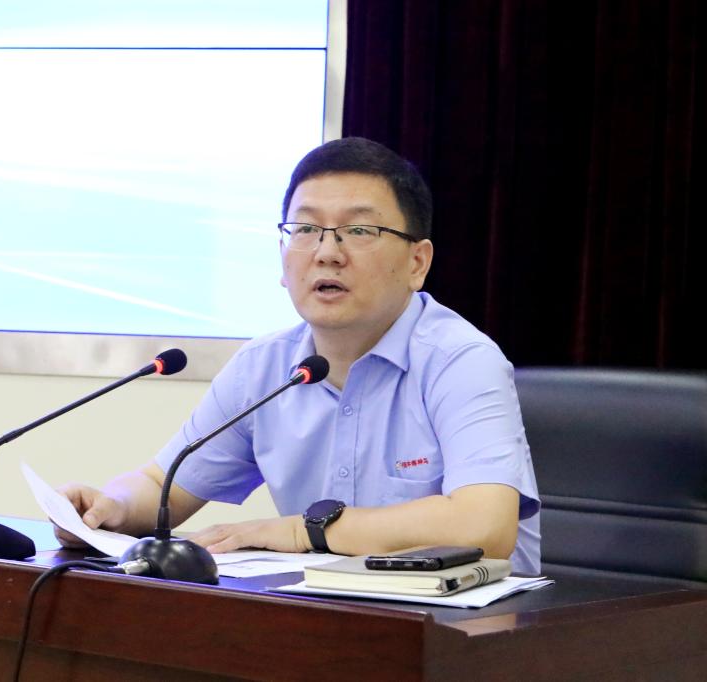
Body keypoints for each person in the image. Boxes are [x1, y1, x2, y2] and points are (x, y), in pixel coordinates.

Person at [55, 137, 540, 575]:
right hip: (327, 616)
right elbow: (162, 484)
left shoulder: (461, 361)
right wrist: (109, 507)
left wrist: (300, 531)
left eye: (359, 230)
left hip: (467, 626)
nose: (327, 252)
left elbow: (485, 527)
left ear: (418, 262)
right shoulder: (264, 368)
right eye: (306, 229)